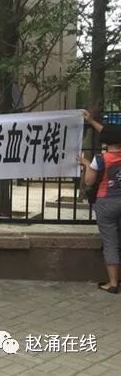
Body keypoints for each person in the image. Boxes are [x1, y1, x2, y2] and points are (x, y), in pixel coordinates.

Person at [80, 110, 121, 293]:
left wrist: (86, 164)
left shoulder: (100, 159)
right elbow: (110, 133)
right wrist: (92, 121)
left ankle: (113, 284)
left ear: (105, 141)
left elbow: (89, 181)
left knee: (111, 242)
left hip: (106, 203)